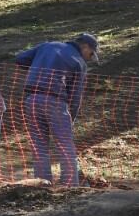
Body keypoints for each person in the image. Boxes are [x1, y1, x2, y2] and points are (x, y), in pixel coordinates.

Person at [14, 33, 101, 186]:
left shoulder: (48, 45)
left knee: (39, 144)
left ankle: (42, 184)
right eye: (91, 53)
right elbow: (75, 96)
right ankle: (70, 186)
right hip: (55, 101)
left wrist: (40, 64)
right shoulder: (79, 62)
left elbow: (20, 59)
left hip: (31, 100)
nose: (90, 57)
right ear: (85, 46)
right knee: (65, 145)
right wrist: (71, 119)